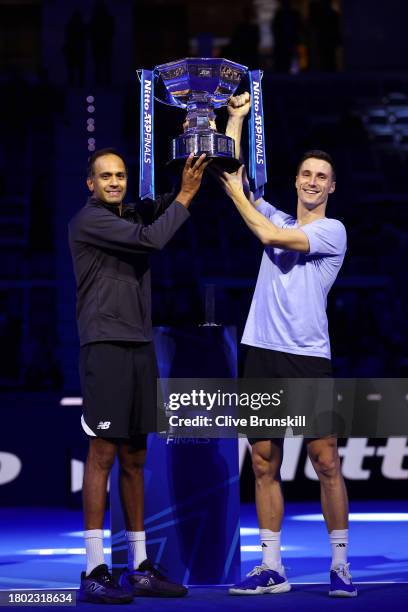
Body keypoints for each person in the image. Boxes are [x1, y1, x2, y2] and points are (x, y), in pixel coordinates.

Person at [213, 96, 357, 597]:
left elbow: (265, 229)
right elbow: (237, 174)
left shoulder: (330, 231)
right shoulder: (280, 211)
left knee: (326, 462)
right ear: (296, 180)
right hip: (261, 350)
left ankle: (339, 564)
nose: (313, 181)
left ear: (331, 187)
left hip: (306, 356)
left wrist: (236, 196)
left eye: (322, 176)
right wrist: (236, 117)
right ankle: (271, 567)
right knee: (262, 462)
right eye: (306, 174)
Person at [69, 148, 210, 603]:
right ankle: (94, 569)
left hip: (139, 345)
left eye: (121, 175)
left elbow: (161, 207)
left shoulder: (128, 215)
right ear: (90, 183)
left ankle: (140, 567)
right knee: (102, 456)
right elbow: (151, 240)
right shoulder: (88, 221)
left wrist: (190, 173)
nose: (114, 181)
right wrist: (185, 197)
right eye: (105, 176)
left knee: (134, 459)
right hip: (105, 346)